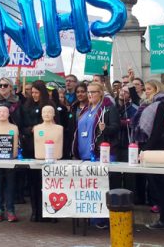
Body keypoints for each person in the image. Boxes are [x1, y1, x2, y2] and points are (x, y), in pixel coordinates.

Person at [72, 82, 119, 229]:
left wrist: (105, 129)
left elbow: (116, 128)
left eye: (94, 92)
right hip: (85, 155)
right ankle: (92, 216)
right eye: (89, 92)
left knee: (102, 187)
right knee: (90, 189)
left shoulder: (108, 109)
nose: (90, 94)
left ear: (101, 93)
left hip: (102, 154)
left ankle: (102, 219)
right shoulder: (85, 109)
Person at [129, 80, 164, 230]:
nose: (146, 91)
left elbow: (156, 131)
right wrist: (131, 82)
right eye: (146, 89)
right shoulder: (147, 105)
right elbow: (135, 98)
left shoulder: (160, 105)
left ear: (157, 89)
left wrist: (146, 150)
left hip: (158, 150)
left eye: (149, 89)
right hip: (149, 149)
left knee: (162, 186)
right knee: (156, 186)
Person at [21, 80, 52, 222]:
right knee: (33, 182)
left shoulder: (50, 106)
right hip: (30, 147)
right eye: (32, 92)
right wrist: (30, 130)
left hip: (47, 149)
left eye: (36, 92)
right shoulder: (26, 106)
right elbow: (22, 126)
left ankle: (48, 212)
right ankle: (35, 211)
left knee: (46, 182)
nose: (33, 95)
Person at [0, 106, 19, 222]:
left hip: (10, 159)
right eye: (0, 112)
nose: (2, 114)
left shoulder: (14, 128)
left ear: (9, 114)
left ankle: (10, 210)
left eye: (5, 112)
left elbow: (15, 145)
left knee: (10, 183)